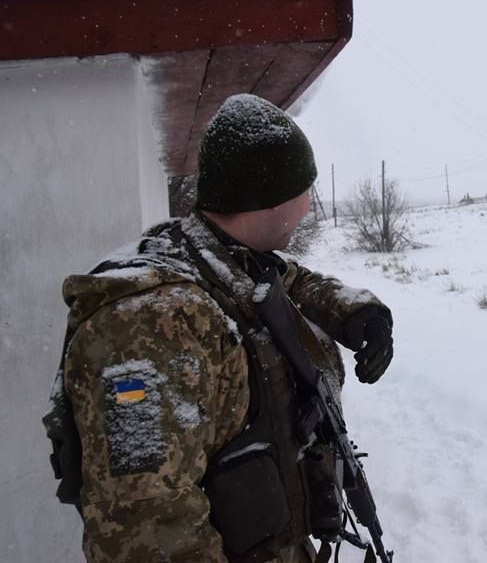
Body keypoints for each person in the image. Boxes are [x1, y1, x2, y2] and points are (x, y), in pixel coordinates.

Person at [48, 94, 394, 562]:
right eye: (305, 190)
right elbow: (147, 531)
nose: (310, 206)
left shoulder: (217, 253)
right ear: (269, 197)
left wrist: (355, 312)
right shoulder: (153, 325)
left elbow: (286, 276)